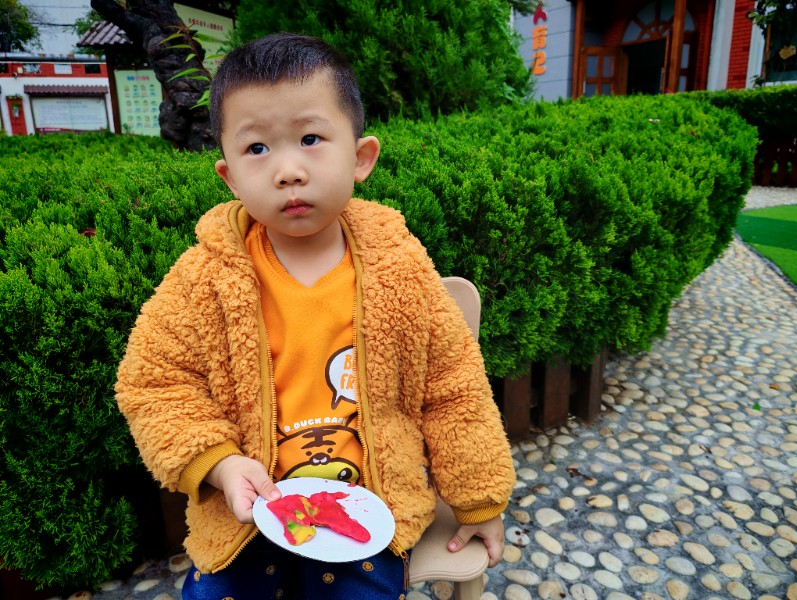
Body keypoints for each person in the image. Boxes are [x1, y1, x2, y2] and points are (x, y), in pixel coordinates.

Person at [115, 32, 515, 600]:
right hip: (248, 510)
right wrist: (221, 465)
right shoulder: (205, 277)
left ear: (360, 157)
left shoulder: (400, 267)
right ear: (229, 176)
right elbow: (154, 382)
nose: (288, 170)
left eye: (310, 139)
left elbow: (454, 387)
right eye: (257, 148)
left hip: (369, 506)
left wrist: (479, 500)